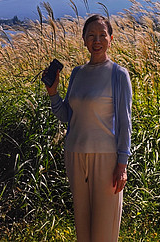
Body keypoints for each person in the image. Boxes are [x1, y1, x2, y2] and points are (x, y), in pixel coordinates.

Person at [44, 14, 133, 242]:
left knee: (104, 230)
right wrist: (53, 93)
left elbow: (125, 122)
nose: (97, 40)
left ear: (111, 39)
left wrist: (122, 165)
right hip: (75, 155)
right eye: (91, 35)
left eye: (102, 35)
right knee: (82, 229)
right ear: (84, 39)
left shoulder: (118, 74)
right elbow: (67, 116)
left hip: (106, 159)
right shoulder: (77, 73)